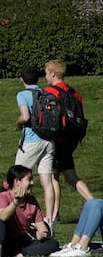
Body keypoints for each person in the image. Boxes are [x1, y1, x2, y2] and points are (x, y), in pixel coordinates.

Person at [44, 59, 93, 223]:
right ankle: (55, 215)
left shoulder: (51, 92)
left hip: (58, 138)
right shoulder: (75, 93)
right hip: (72, 139)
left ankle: (55, 215)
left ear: (52, 74)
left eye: (46, 73)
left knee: (58, 176)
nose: (45, 77)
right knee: (60, 174)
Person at [14, 65, 59, 221]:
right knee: (47, 181)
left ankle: (18, 215)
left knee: (17, 177)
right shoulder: (45, 93)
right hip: (49, 141)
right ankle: (49, 219)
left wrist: (18, 123)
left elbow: (25, 117)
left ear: (22, 79)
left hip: (32, 141)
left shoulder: (22, 95)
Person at [0, 164, 58, 257]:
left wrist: (43, 233)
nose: (32, 183)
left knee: (53, 244)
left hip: (20, 242)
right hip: (0, 241)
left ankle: (20, 255)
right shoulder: (2, 197)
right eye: (29, 179)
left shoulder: (32, 201)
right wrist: (16, 202)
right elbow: (3, 217)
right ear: (17, 182)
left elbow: (41, 225)